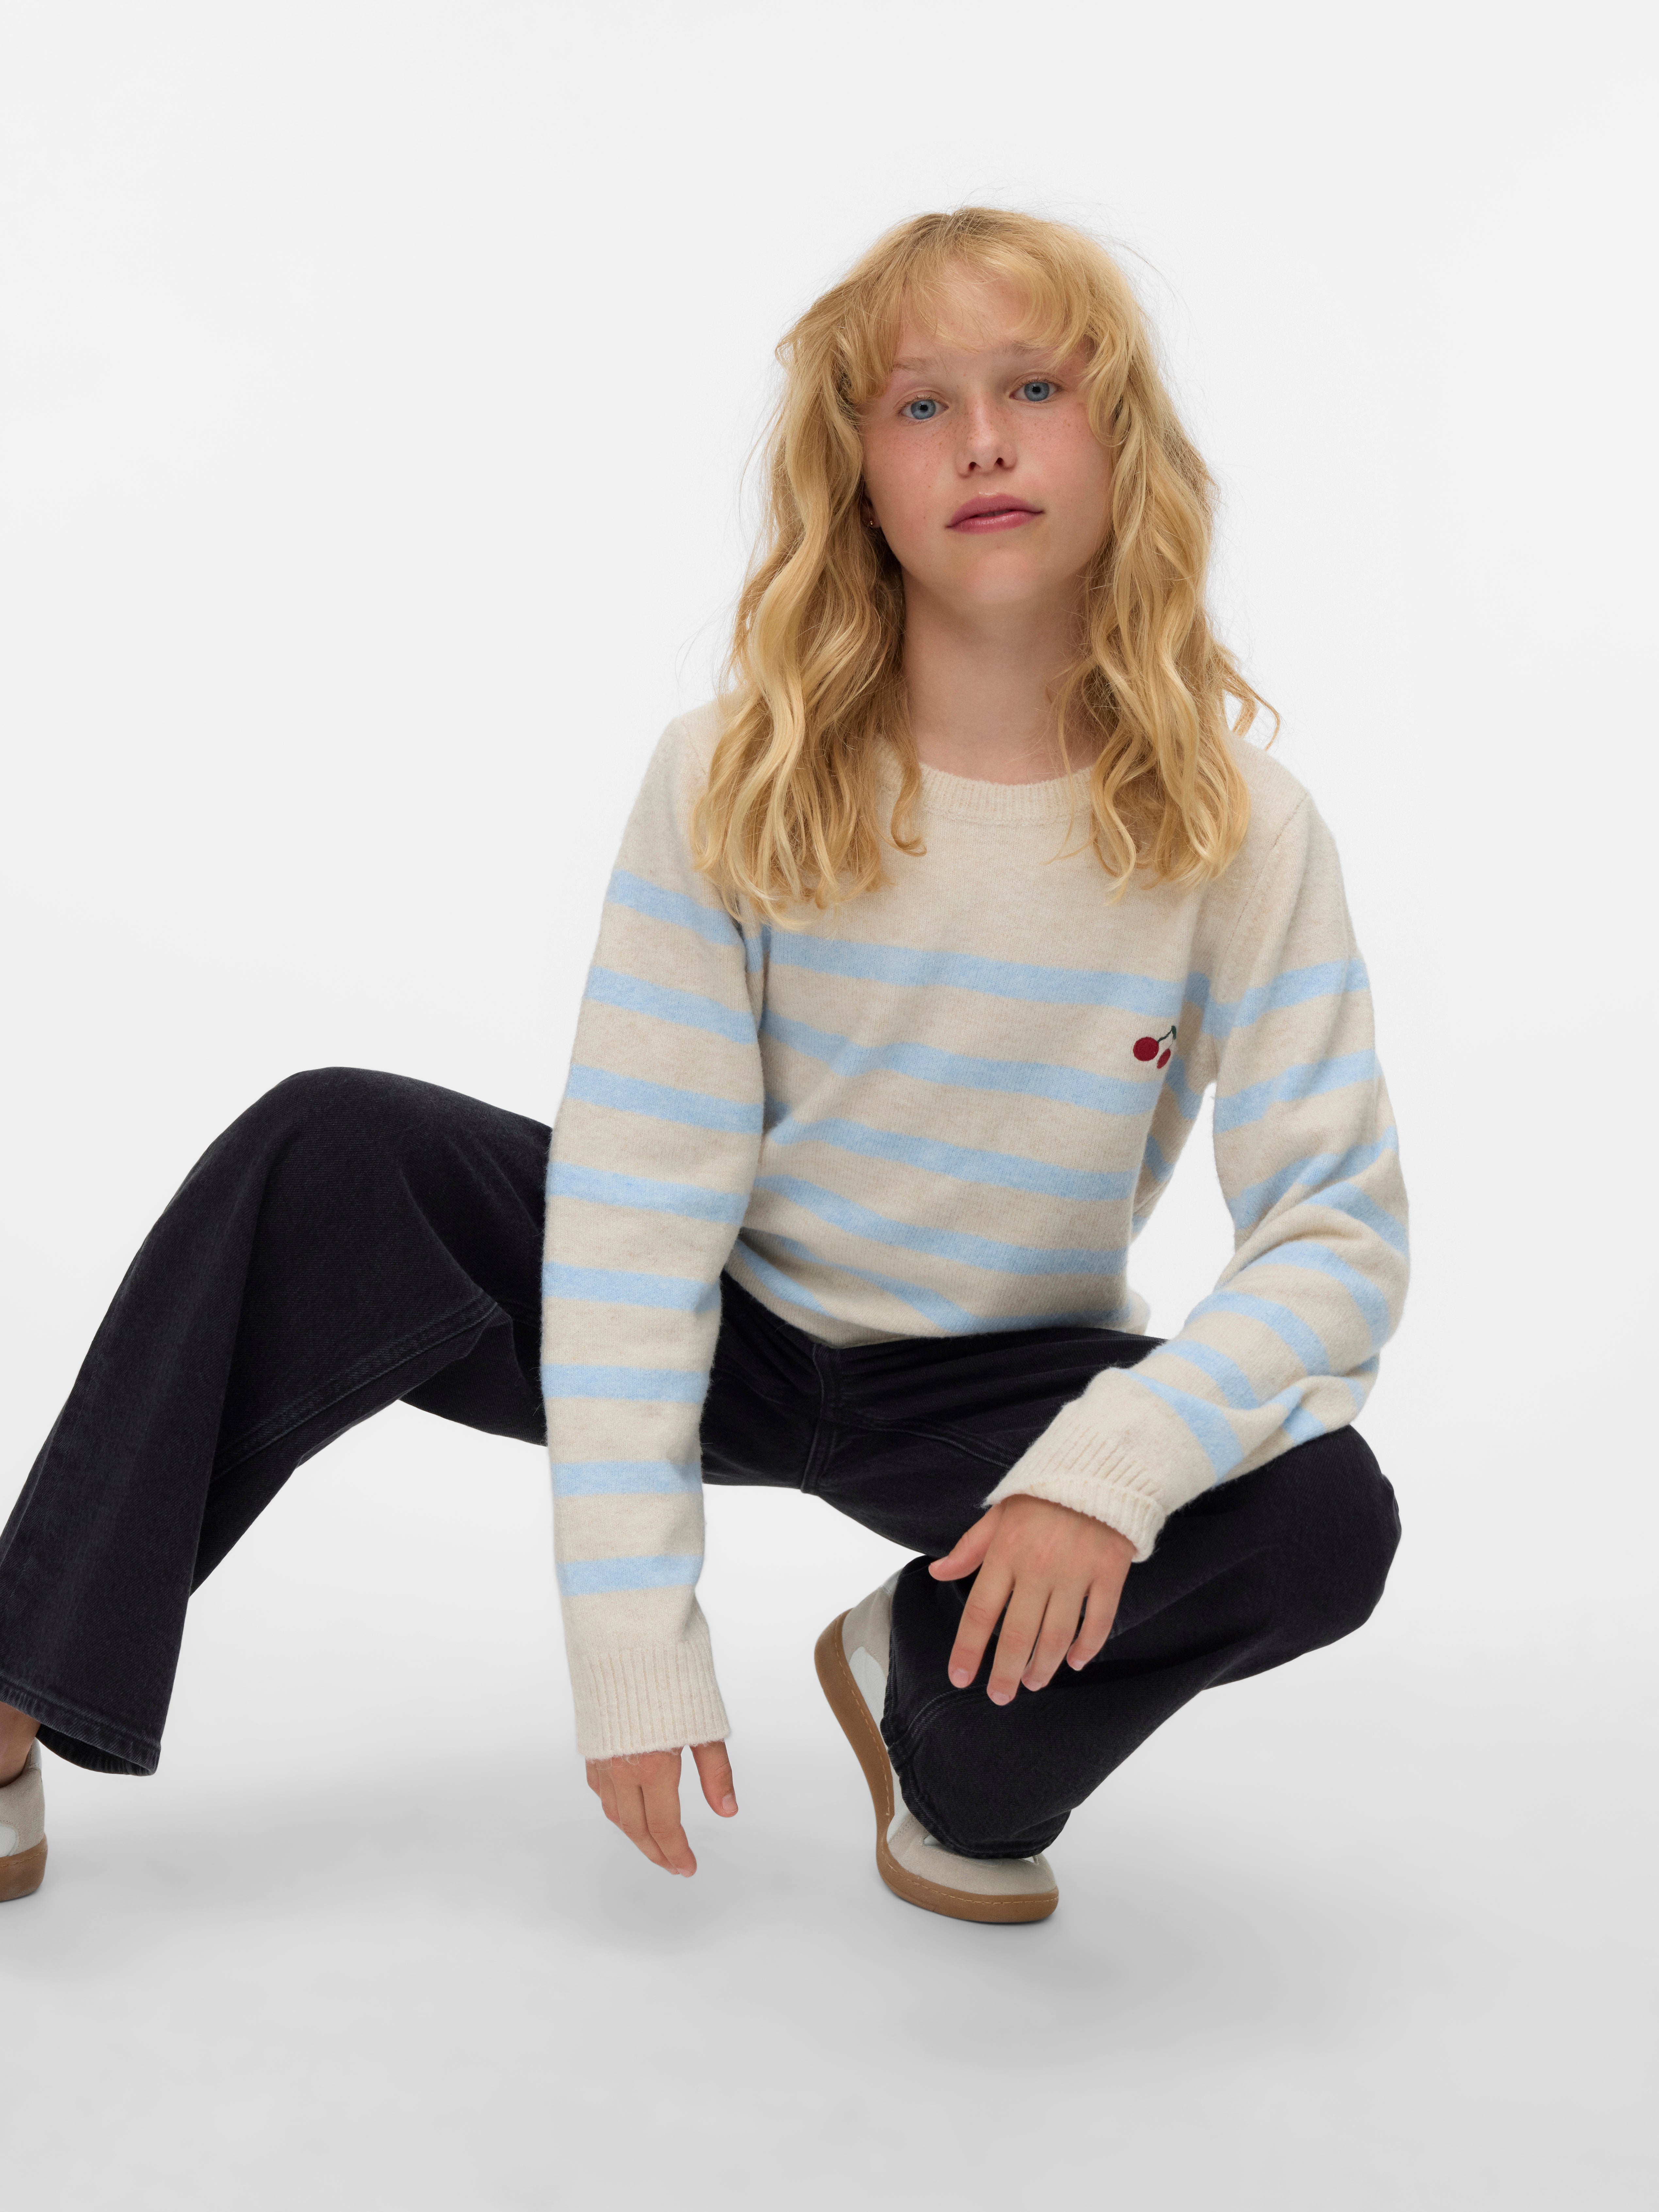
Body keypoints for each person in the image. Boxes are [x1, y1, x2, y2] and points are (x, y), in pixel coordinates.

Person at [0, 207, 1406, 1923]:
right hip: (728, 1313)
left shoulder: (1240, 826)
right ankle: (14, 1684)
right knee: (330, 1151)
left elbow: (1335, 1236)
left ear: (1120, 441)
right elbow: (634, 1206)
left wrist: (1096, 1479)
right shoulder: (731, 774)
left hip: (993, 1389)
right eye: (920, 405)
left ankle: (942, 1706)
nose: (981, 439)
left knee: (1322, 1514)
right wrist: (633, 1639)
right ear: (858, 481)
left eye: (1035, 387)